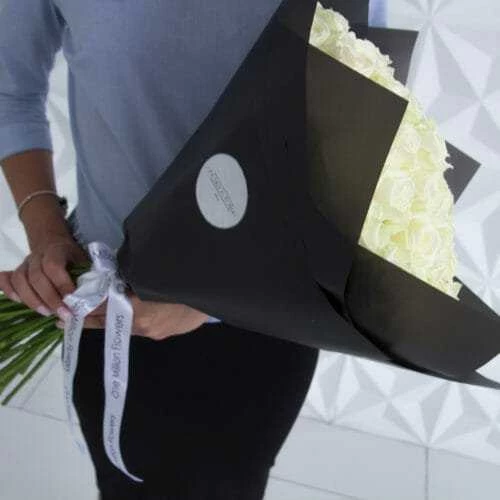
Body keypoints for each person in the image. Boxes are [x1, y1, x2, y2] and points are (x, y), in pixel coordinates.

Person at [0, 1, 319, 498]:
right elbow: (10, 91)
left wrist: (212, 298)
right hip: (111, 314)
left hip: (266, 316)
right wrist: (46, 232)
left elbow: (352, 132)